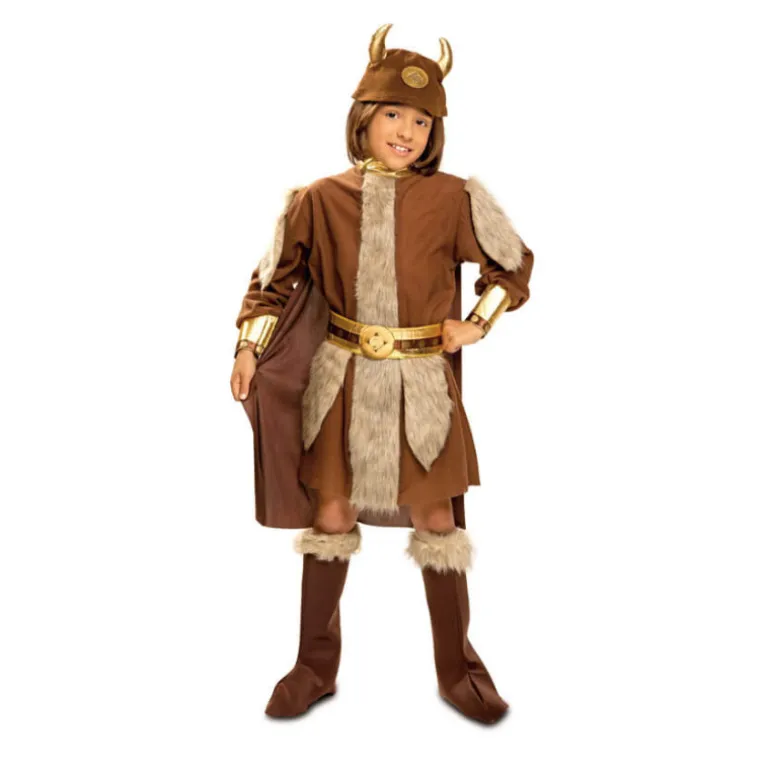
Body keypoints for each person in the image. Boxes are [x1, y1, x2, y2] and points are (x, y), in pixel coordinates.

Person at [229, 23, 534, 724]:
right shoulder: (318, 198)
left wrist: (478, 321)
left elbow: (512, 263)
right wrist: (249, 347)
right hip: (341, 386)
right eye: (394, 114)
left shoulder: (454, 198)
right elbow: (273, 280)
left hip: (422, 390)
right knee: (331, 515)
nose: (407, 131)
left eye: (422, 121)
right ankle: (313, 668)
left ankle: (458, 671)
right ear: (364, 117)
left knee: (437, 519)